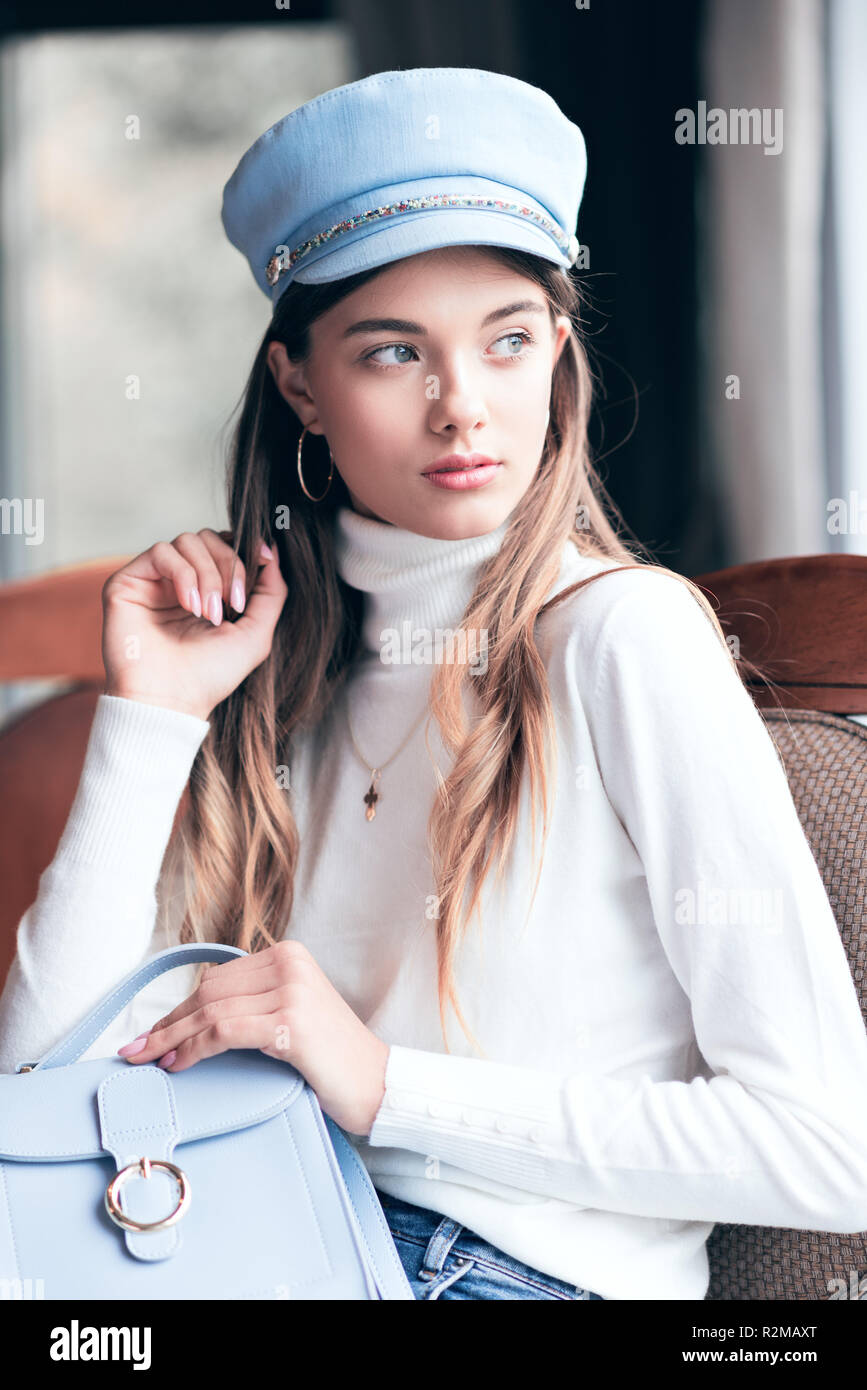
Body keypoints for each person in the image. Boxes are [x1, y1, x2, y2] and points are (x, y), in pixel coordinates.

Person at [2, 66, 867, 1303]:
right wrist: (155, 715)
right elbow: (38, 1083)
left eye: (508, 339)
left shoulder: (624, 639)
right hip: (267, 1241)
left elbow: (830, 1152)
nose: (464, 406)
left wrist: (384, 1083)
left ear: (557, 353)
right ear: (302, 383)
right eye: (394, 351)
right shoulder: (273, 671)